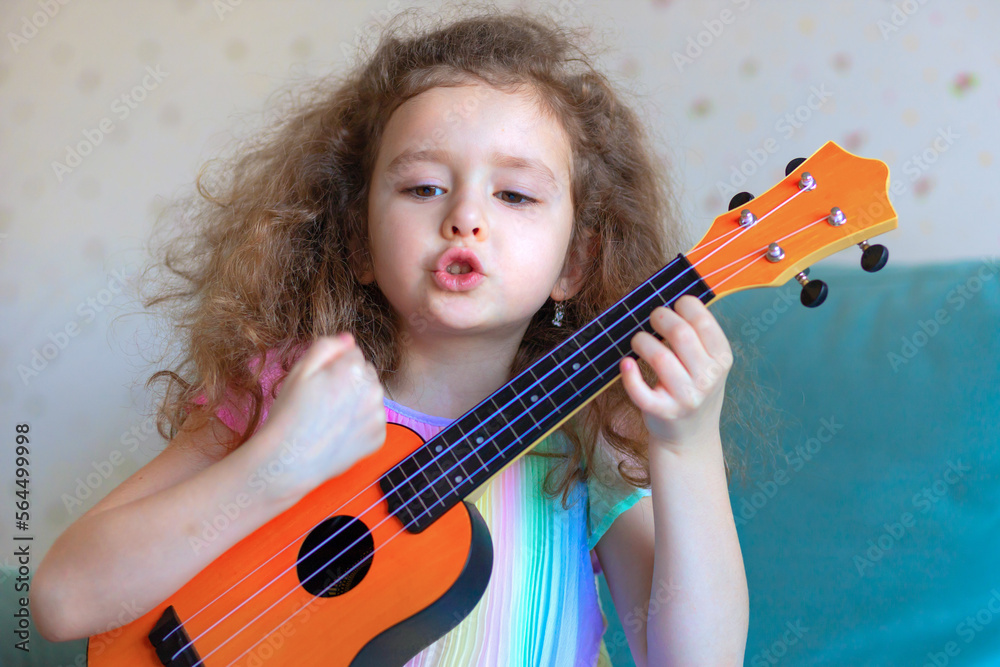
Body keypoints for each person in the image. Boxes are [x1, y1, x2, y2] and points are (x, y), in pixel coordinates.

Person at [31, 6, 749, 665]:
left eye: (515, 195)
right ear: (357, 243)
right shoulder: (291, 392)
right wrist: (273, 465)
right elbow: (64, 601)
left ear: (575, 263)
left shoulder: (585, 440)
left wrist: (688, 448)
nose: (466, 216)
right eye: (423, 187)